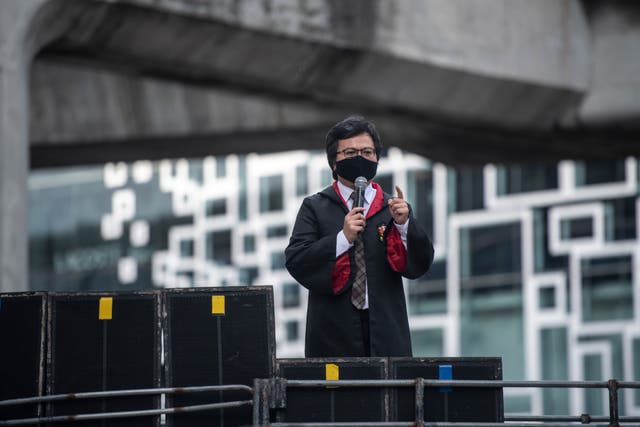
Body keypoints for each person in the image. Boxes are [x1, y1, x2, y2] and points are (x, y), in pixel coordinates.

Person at [285, 116, 434, 357]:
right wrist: (342, 238)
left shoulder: (392, 207)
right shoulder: (315, 207)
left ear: (377, 158)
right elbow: (296, 259)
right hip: (333, 330)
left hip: (386, 328)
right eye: (350, 152)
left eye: (367, 152)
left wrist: (405, 225)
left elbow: (420, 263)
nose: (360, 159)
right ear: (334, 162)